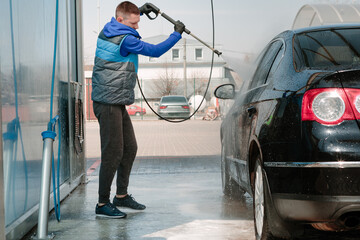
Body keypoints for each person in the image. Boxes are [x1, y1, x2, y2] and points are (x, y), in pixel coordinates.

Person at [91, 1, 185, 218]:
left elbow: (126, 18)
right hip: (108, 102)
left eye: (138, 22)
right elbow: (155, 50)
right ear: (122, 21)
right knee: (112, 153)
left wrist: (140, 11)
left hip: (115, 100)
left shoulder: (111, 27)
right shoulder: (125, 39)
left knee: (130, 148)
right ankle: (102, 203)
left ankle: (121, 196)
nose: (138, 27)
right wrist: (176, 35)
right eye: (134, 23)